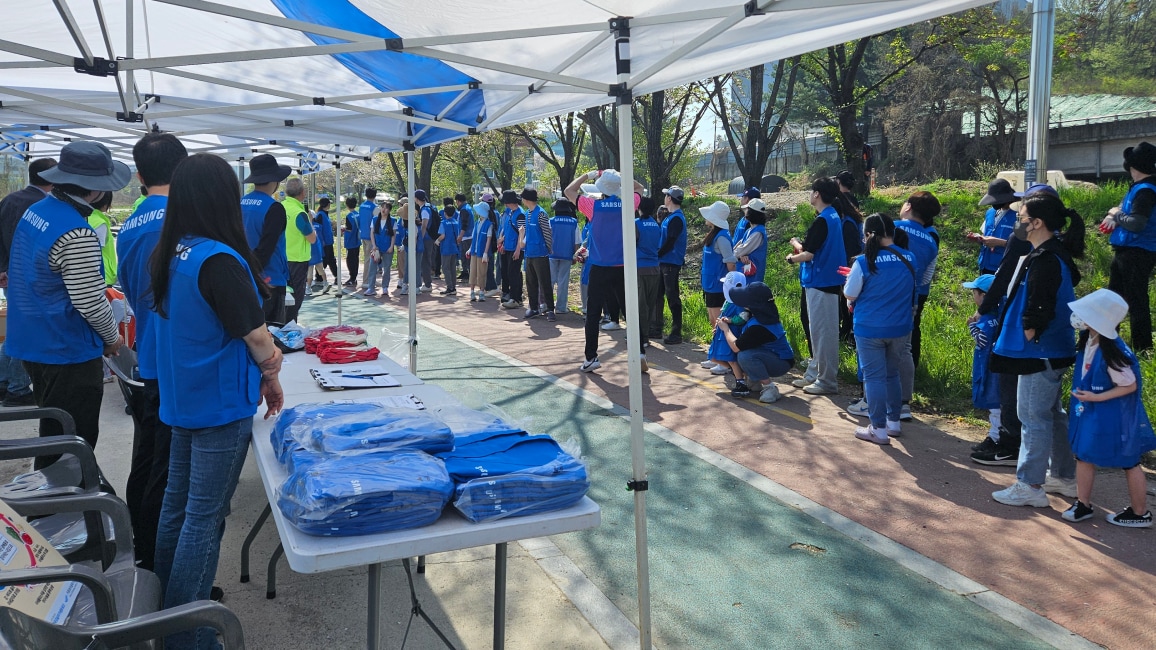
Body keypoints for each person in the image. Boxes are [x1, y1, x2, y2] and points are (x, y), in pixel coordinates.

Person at [150, 154, 283, 650]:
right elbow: (256, 336)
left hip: (186, 398)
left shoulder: (174, 252)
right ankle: (189, 635)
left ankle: (166, 614)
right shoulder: (219, 260)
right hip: (219, 405)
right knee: (204, 518)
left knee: (177, 509)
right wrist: (271, 371)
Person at [5, 141, 125, 463]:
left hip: (34, 341)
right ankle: (60, 505)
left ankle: (52, 499)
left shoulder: (37, 211)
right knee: (71, 443)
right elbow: (89, 301)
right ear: (96, 190)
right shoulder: (77, 233)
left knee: (54, 429)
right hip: (66, 348)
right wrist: (112, 338)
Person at [115, 132, 187, 570]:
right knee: (167, 471)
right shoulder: (177, 222)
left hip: (148, 355)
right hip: (175, 359)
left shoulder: (132, 222)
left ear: (139, 175)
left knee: (146, 461)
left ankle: (142, 550)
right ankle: (159, 566)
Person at [990, 193, 1085, 508]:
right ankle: (1064, 476)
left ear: (1037, 223)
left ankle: (1030, 483)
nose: (1018, 222)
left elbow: (1039, 304)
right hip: (1052, 350)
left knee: (1032, 415)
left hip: (1037, 351)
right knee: (1050, 415)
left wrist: (1029, 330)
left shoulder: (1045, 258)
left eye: (1022, 217)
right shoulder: (1053, 253)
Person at [1062, 289, 1155, 528]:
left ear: (1098, 320)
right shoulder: (1091, 339)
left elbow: (1129, 385)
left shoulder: (1113, 351)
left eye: (1086, 314)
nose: (1078, 317)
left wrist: (1096, 396)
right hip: (1093, 413)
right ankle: (1083, 503)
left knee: (1129, 460)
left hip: (1113, 416)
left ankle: (1140, 512)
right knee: (1083, 455)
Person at [843, 213, 917, 445]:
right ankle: (893, 422)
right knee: (891, 373)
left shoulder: (863, 262)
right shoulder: (910, 257)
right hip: (900, 326)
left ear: (867, 235)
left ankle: (878, 428)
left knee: (873, 377)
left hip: (870, 327)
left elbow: (850, 293)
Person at [563, 169, 643, 372]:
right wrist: (620, 177)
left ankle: (591, 357)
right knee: (629, 312)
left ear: (601, 189)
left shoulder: (593, 206)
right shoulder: (628, 204)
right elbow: (639, 188)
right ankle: (639, 351)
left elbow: (568, 190)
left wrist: (589, 175)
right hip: (622, 266)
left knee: (592, 313)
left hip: (599, 266)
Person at [0, 158, 56, 408]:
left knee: (15, 328)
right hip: (29, 280)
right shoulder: (43, 206)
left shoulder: (10, 199)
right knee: (28, 333)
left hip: (9, 275)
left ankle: (4, 381)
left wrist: (1, 268)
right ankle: (17, 387)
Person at [787, 177, 846, 396]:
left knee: (824, 333)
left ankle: (827, 381)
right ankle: (816, 373)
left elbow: (809, 253)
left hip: (822, 281)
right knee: (819, 332)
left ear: (817, 194)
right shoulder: (831, 217)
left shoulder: (824, 219)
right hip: (822, 281)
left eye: (812, 191)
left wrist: (791, 258)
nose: (810, 195)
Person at [1100, 142, 1156, 352]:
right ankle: (1107, 341)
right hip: (1129, 251)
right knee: (1114, 298)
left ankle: (1142, 348)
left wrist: (1117, 215)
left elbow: (1137, 223)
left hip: (1137, 251)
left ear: (1133, 166)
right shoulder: (1142, 187)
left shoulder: (1145, 191)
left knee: (1135, 302)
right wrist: (1116, 216)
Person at [894, 191, 941, 418]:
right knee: (905, 347)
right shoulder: (931, 241)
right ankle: (903, 402)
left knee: (873, 346)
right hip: (912, 298)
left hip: (880, 297)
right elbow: (926, 278)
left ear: (909, 206)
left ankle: (869, 398)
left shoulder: (890, 227)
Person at [718, 281, 795, 404]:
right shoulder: (761, 314)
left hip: (781, 362)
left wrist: (725, 329)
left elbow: (736, 347)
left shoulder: (760, 327)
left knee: (744, 356)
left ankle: (770, 387)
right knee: (743, 353)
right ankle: (756, 381)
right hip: (769, 355)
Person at [240, 154, 290, 323]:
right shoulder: (274, 208)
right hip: (270, 280)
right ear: (274, 181)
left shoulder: (240, 203)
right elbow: (266, 247)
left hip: (243, 276)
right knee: (273, 334)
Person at [961, 274, 1005, 464]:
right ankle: (995, 436)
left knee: (995, 404)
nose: (973, 295)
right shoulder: (1000, 314)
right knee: (998, 404)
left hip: (990, 367)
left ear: (984, 295)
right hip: (995, 365)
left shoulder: (987, 318)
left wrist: (972, 327)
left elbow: (983, 340)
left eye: (975, 292)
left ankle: (995, 437)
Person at [699, 200, 737, 375]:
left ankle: (724, 362)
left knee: (718, 322)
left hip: (717, 286)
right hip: (709, 284)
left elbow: (730, 262)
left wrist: (732, 286)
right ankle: (715, 356)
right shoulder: (714, 234)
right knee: (712, 321)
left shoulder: (722, 237)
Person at [281, 177, 317, 323]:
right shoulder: (299, 213)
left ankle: (281, 328)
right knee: (295, 300)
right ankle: (290, 330)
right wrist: (311, 222)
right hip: (297, 261)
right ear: (302, 193)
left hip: (280, 259)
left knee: (283, 298)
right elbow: (312, 238)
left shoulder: (279, 207)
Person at [655, 186, 688, 344]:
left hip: (670, 262)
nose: (664, 198)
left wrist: (658, 253)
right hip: (665, 261)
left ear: (669, 198)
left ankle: (676, 332)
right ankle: (656, 328)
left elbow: (670, 241)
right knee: (658, 295)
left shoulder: (676, 218)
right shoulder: (672, 216)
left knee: (672, 296)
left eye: (666, 195)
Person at [708, 271, 749, 390]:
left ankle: (740, 382)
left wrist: (730, 320)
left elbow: (744, 317)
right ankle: (738, 373)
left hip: (732, 333)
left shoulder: (740, 302)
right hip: (722, 333)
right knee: (715, 357)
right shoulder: (728, 301)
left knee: (731, 359)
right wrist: (717, 324)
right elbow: (722, 313)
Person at [634, 196, 662, 368]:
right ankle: (647, 335)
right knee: (650, 303)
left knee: (640, 304)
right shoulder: (656, 225)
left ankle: (641, 338)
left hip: (639, 267)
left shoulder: (636, 223)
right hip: (655, 267)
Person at [518, 188, 553, 319]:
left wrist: (548, 250)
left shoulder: (541, 214)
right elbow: (527, 233)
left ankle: (550, 309)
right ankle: (533, 308)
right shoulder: (527, 214)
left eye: (522, 198)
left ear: (526, 199)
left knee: (544, 282)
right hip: (529, 254)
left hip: (540, 254)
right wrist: (522, 236)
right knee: (531, 283)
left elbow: (547, 233)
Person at [972, 178, 1018, 274]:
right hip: (985, 265)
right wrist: (980, 239)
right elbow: (985, 233)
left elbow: (1024, 246)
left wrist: (1000, 243)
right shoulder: (990, 213)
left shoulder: (1018, 216)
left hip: (1003, 268)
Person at [549, 198, 581, 314]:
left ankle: (547, 305)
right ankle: (561, 307)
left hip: (552, 254)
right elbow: (577, 242)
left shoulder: (551, 221)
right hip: (567, 255)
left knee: (550, 280)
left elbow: (547, 238)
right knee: (563, 281)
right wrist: (575, 256)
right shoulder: (574, 223)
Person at [497, 190, 525, 309]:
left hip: (515, 248)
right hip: (509, 247)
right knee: (512, 273)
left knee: (514, 273)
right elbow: (507, 230)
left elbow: (522, 233)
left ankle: (516, 298)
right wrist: (503, 243)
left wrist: (518, 249)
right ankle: (515, 297)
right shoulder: (511, 213)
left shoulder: (520, 214)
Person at [734, 197, 768, 281]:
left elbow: (741, 250)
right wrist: (740, 255)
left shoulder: (757, 233)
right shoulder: (750, 230)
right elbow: (739, 247)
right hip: (746, 275)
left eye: (747, 209)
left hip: (752, 278)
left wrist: (731, 256)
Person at [366, 200, 395, 299]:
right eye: (382, 207)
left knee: (386, 268)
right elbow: (372, 233)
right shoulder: (374, 219)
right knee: (372, 267)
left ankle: (385, 287)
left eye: (386, 208)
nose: (384, 209)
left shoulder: (392, 221)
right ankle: (371, 288)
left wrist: (391, 246)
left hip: (387, 248)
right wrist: (374, 245)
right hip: (376, 248)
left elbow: (393, 235)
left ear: (389, 210)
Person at [86, 191, 117, 286]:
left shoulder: (87, 216)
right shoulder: (100, 223)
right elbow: (97, 251)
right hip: (104, 275)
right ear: (105, 203)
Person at [467, 200, 494, 302]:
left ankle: (482, 292)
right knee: (473, 271)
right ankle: (472, 292)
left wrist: (485, 253)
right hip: (474, 251)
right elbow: (474, 237)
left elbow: (489, 239)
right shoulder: (477, 222)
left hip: (482, 253)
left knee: (482, 272)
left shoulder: (489, 224)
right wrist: (470, 249)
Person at [435, 200, 461, 296]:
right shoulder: (456, 222)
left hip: (446, 248)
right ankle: (453, 286)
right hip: (454, 248)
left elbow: (442, 235)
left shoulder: (444, 223)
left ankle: (450, 287)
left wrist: (437, 241)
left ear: (445, 213)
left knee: (445, 268)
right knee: (452, 268)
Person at [312, 197, 338, 290]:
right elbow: (318, 230)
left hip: (328, 242)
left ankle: (320, 277)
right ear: (327, 205)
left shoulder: (324, 215)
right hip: (324, 243)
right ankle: (322, 278)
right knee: (327, 260)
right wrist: (322, 241)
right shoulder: (320, 215)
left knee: (328, 260)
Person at [413, 189, 434, 292]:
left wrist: (419, 237)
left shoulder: (425, 209)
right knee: (426, 260)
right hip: (429, 237)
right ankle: (427, 283)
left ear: (417, 198)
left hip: (426, 238)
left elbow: (424, 225)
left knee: (425, 261)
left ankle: (428, 284)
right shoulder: (430, 206)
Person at [357, 189, 378, 290]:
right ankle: (366, 281)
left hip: (363, 234)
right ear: (375, 196)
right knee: (369, 259)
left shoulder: (361, 206)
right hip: (371, 236)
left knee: (369, 258)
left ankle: (371, 278)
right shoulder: (374, 208)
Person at [341, 195, 361, 287]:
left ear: (347, 205)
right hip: (357, 240)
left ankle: (352, 278)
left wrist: (343, 229)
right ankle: (354, 277)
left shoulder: (349, 216)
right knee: (356, 259)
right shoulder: (358, 214)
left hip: (350, 240)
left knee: (350, 260)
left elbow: (349, 229)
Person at [455, 193, 474, 282]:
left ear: (458, 201)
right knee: (465, 255)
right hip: (468, 236)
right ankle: (465, 272)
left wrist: (460, 236)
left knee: (466, 256)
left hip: (466, 236)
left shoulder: (464, 210)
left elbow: (464, 224)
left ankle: (468, 274)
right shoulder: (468, 208)